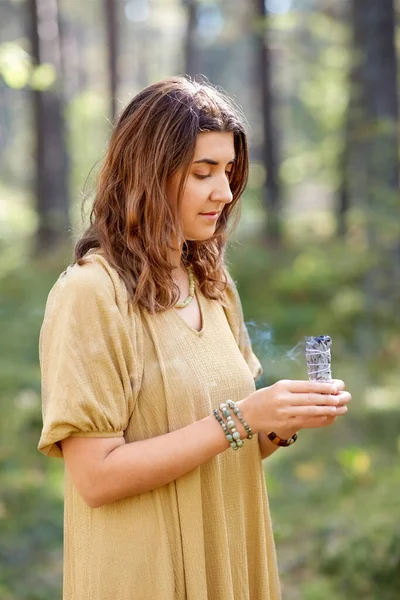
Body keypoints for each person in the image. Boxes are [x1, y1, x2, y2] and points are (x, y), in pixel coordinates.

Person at [38, 76, 351, 600]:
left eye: (228, 172)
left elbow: (224, 444)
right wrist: (244, 416)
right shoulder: (91, 294)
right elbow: (97, 479)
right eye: (202, 172)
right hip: (143, 574)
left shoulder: (212, 282)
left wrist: (279, 423)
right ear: (147, 176)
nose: (224, 192)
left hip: (229, 555)